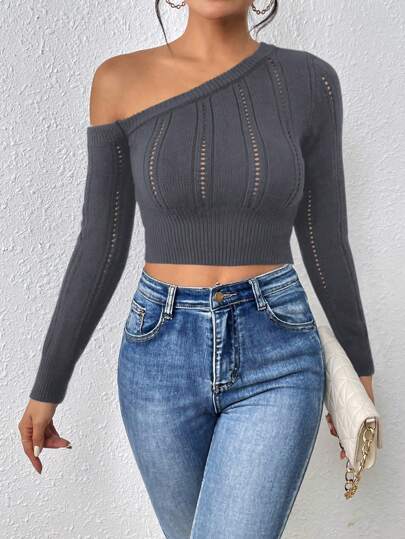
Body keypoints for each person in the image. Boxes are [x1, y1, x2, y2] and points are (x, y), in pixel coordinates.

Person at [19, 1, 376, 537]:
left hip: (277, 351)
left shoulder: (311, 82)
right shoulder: (119, 80)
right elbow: (101, 243)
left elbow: (326, 238)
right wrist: (49, 384)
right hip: (157, 357)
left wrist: (360, 371)